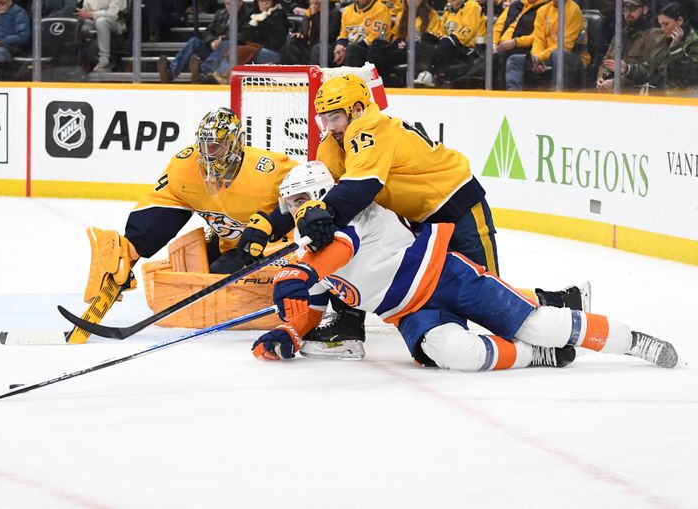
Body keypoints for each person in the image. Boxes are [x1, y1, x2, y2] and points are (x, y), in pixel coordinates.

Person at [238, 73, 588, 359]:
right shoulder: (333, 142)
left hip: (455, 203)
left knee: (488, 291)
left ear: (358, 109)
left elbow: (360, 188)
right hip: (418, 219)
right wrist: (270, 224)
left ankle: (561, 304)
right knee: (362, 251)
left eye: (335, 116)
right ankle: (347, 323)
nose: (329, 126)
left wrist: (323, 212)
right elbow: (316, 193)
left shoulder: (371, 130)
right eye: (324, 118)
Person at [251, 161, 678, 375]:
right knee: (458, 355)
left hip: (446, 277)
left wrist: (297, 275)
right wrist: (289, 330)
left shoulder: (350, 220)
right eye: (289, 205)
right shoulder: (311, 243)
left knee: (539, 323)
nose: (294, 212)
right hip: (411, 312)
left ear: (323, 193)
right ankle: (538, 358)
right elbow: (313, 295)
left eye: (299, 200)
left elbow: (332, 259)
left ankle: (631, 341)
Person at [82, 107, 301, 330]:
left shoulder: (270, 170)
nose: (208, 153)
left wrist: (272, 226)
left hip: (278, 247)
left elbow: (309, 194)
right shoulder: (185, 166)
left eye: (215, 145)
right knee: (180, 267)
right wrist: (132, 246)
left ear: (235, 142)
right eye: (204, 145)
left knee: (221, 270)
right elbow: (165, 205)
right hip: (232, 246)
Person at [455, 0, 550, 89]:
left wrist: (515, 42)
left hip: (523, 46)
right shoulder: (515, 5)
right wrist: (494, 43)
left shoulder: (546, 8)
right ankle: (467, 83)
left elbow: (538, 36)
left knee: (499, 58)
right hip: (502, 45)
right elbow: (498, 26)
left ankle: (465, 84)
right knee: (488, 54)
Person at [505, 0, 589, 92]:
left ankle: (556, 95)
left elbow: (566, 46)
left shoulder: (573, 11)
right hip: (547, 57)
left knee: (557, 54)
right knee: (514, 60)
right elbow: (538, 39)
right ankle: (514, 96)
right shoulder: (543, 10)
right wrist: (535, 58)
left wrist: (539, 58)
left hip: (573, 58)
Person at [157, 0, 252, 84]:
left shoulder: (249, 14)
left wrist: (222, 39)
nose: (230, 7)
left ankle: (202, 72)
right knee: (194, 41)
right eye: (227, 4)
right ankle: (171, 73)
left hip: (230, 55)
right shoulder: (221, 14)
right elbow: (207, 31)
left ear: (240, 1)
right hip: (214, 51)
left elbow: (245, 35)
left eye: (233, 3)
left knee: (226, 43)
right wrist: (212, 41)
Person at [413, 0, 486, 88]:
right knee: (426, 38)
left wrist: (446, 40)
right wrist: (440, 38)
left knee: (445, 43)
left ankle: (428, 73)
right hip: (450, 47)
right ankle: (427, 73)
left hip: (468, 50)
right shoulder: (448, 9)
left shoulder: (472, 6)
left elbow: (467, 31)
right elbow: (441, 30)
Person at [368, 0, 441, 86]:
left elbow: (431, 39)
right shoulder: (401, 15)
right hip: (403, 51)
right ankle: (377, 80)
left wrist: (412, 44)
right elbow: (395, 37)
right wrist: (399, 42)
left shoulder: (431, 15)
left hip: (418, 53)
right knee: (377, 45)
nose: (411, 0)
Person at [623, 1, 698, 95]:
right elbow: (649, 69)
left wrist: (676, 51)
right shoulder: (661, 40)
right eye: (660, 24)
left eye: (666, 24)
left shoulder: (694, 42)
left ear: (680, 21)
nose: (662, 29)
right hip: (661, 98)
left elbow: (691, 77)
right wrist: (628, 68)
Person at [596, 0, 662, 93]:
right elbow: (607, 61)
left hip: (639, 91)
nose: (628, 13)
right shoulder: (620, 33)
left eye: (633, 9)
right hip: (614, 87)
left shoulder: (653, 34)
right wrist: (602, 77)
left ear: (644, 9)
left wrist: (616, 82)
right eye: (625, 9)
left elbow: (650, 72)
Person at [330, 0, 392, 67]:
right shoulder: (347, 10)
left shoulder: (381, 9)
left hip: (371, 52)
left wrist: (346, 49)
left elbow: (375, 38)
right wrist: (340, 47)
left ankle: (351, 80)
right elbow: (343, 35)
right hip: (350, 48)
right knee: (322, 49)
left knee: (353, 50)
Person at [279, 0, 342, 66]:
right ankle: (287, 72)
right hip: (309, 47)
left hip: (326, 47)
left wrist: (315, 16)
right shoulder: (308, 14)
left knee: (317, 48)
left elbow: (327, 37)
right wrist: (299, 34)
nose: (315, 1)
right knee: (291, 42)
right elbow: (304, 33)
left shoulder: (334, 13)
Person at [77, 0, 127, 73]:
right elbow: (86, 9)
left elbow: (113, 14)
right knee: (79, 24)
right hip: (92, 21)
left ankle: (104, 59)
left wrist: (91, 14)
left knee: (101, 21)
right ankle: (78, 60)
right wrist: (81, 13)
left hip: (116, 23)